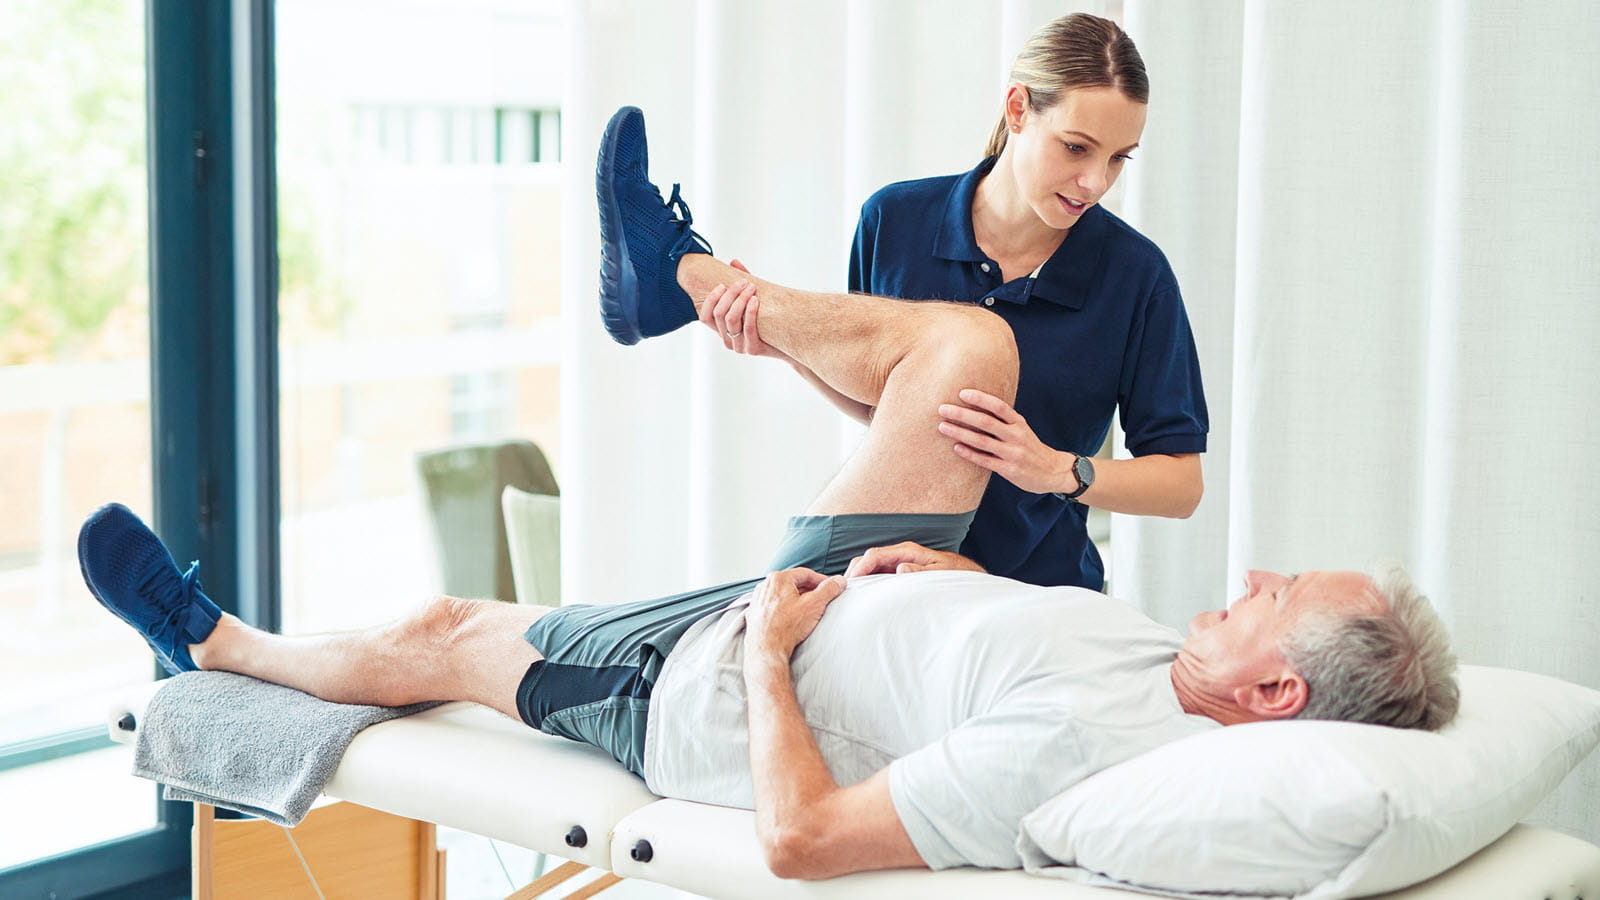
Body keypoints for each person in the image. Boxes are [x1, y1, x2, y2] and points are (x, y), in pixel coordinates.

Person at [77, 109, 1457, 881]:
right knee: (968, 348)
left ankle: (221, 649)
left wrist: (786, 661)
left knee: (450, 631)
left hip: (725, 684)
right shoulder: (1171, 667)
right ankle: (676, 282)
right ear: (1020, 125)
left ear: (1276, 694)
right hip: (868, 582)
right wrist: (959, 584)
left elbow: (799, 841)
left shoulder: (1089, 767)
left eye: (1278, 597)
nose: (1256, 577)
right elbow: (969, 558)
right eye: (1074, 151)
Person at [689, 14, 1205, 591]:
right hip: (884, 573)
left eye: (1117, 158)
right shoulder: (894, 220)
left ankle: (680, 272)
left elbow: (1181, 486)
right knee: (743, 629)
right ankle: (696, 280)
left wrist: (1057, 469)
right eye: (1076, 147)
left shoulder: (1135, 275)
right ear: (1017, 109)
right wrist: (786, 350)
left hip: (1031, 591)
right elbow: (887, 408)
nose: (1094, 181)